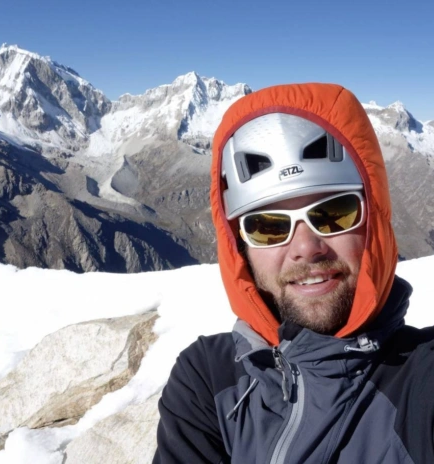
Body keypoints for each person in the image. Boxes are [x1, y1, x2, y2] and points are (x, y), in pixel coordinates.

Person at [153, 83, 434, 463]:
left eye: (335, 213)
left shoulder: (421, 379)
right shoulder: (207, 377)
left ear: (374, 223)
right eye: (267, 226)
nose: (306, 247)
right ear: (240, 248)